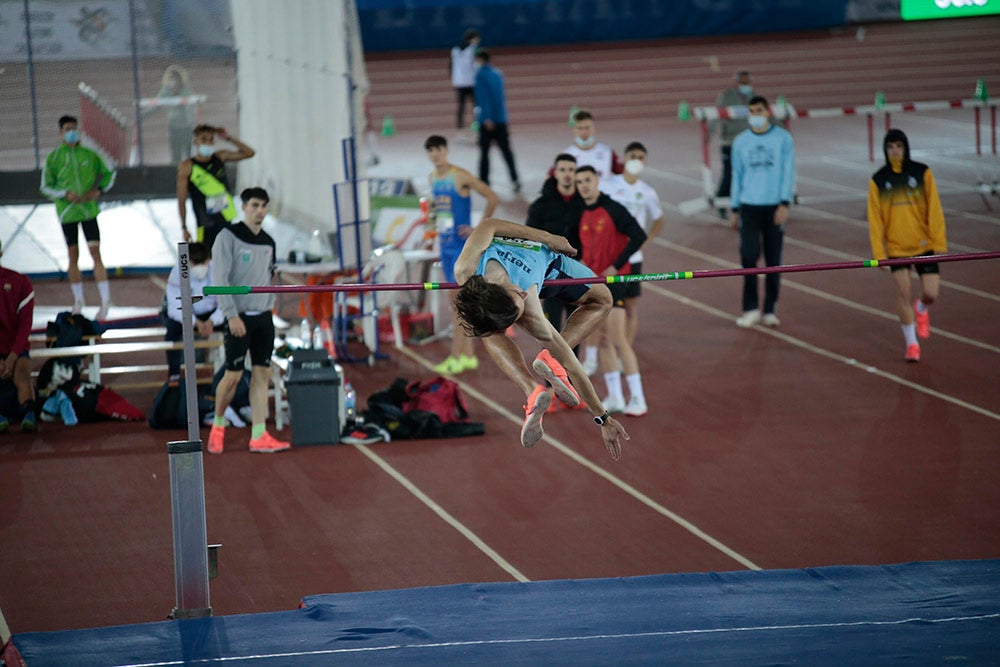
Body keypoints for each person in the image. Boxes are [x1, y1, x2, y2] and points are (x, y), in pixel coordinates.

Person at [452, 217, 629, 459]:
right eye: (520, 299)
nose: (523, 294)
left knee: (602, 300)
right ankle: (533, 389)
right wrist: (603, 418)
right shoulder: (528, 307)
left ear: (502, 289)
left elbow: (489, 224)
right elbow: (574, 366)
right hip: (540, 273)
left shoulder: (466, 268)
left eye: (519, 297)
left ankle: (547, 362)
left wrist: (548, 237)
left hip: (548, 257)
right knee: (486, 325)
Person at [207, 187, 290, 454]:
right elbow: (220, 279)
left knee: (261, 375)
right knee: (231, 377)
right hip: (238, 318)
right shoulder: (227, 237)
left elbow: (269, 277)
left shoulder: (268, 241)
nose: (260, 211)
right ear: (243, 207)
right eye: (254, 205)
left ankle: (259, 434)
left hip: (263, 319)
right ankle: (218, 425)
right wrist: (231, 315)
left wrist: (270, 308)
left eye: (264, 206)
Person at [572, 166, 648, 416]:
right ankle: (615, 396)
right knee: (603, 340)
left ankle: (637, 397)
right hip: (594, 282)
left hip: (615, 281)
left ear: (597, 181)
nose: (583, 185)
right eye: (579, 181)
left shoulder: (613, 209)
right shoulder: (582, 211)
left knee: (618, 340)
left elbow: (638, 235)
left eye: (587, 180)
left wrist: (617, 264)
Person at [867, 129, 948, 362]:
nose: (895, 151)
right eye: (890, 147)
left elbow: (935, 208)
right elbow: (875, 220)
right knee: (903, 292)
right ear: (885, 149)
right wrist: (879, 253)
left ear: (906, 148)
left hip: (924, 245)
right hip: (896, 248)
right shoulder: (878, 180)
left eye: (899, 146)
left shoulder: (922, 173)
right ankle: (912, 345)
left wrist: (939, 241)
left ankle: (921, 308)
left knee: (931, 293)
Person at [424, 135, 499, 375]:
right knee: (456, 303)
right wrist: (431, 223)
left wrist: (479, 228)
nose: (435, 154)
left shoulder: (460, 176)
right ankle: (467, 356)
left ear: (445, 150)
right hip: (444, 246)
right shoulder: (433, 178)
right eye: (430, 151)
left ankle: (456, 356)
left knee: (458, 304)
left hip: (460, 248)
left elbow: (492, 197)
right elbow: (437, 208)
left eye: (438, 149)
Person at [40, 115, 117, 320]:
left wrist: (98, 190)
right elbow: (46, 186)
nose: (72, 132)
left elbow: (110, 172)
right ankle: (79, 300)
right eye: (68, 129)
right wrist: (64, 194)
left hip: (88, 211)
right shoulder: (54, 158)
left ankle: (106, 300)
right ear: (61, 132)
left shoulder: (90, 155)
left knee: (96, 253)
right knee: (73, 255)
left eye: (74, 128)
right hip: (67, 214)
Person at [729, 95, 796, 329]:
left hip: (774, 207)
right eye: (751, 111)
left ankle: (770, 309)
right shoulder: (740, 142)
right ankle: (750, 308)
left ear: (768, 112)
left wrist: (784, 204)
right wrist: (735, 207)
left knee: (773, 259)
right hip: (749, 206)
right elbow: (736, 175)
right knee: (748, 257)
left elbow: (789, 173)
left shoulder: (783, 139)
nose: (755, 115)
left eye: (759, 110)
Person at [601, 141, 665, 345]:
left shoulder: (647, 192)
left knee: (631, 307)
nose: (636, 161)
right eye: (632, 156)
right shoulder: (608, 185)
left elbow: (659, 218)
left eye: (640, 158)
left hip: (633, 256)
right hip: (610, 256)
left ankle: (624, 350)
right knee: (604, 305)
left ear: (645, 162)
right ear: (624, 158)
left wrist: (646, 240)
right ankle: (603, 348)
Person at [526, 152, 584, 330]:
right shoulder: (541, 205)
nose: (567, 174)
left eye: (571, 170)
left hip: (578, 271)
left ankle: (573, 359)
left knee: (576, 326)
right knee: (551, 329)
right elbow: (530, 238)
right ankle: (550, 358)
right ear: (555, 173)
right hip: (550, 272)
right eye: (563, 169)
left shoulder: (586, 203)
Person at [176, 124, 255, 250]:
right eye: (204, 139)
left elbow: (249, 153)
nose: (208, 143)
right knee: (206, 261)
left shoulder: (220, 157)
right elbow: (181, 200)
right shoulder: (187, 166)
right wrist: (184, 227)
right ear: (195, 141)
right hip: (205, 224)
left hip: (226, 219)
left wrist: (228, 138)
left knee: (226, 259)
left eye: (211, 139)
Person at [161, 242, 225, 382]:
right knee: (171, 329)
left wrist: (212, 321)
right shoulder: (177, 272)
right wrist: (195, 322)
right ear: (188, 262)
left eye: (203, 263)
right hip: (186, 314)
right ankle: (174, 376)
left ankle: (231, 371)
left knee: (234, 324)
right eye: (195, 263)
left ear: (209, 260)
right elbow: (174, 307)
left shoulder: (218, 270)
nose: (199, 267)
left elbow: (225, 303)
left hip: (211, 314)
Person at [0, 239, 37, 433]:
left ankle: (29, 414)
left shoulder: (20, 282)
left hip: (15, 347)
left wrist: (13, 356)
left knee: (22, 373)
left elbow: (25, 325)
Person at [473, 50, 521, 193]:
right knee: (507, 152)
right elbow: (499, 98)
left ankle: (483, 181)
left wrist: (487, 117)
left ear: (480, 60)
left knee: (484, 153)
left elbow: (484, 98)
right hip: (501, 119)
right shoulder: (498, 74)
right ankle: (515, 179)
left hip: (487, 121)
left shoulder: (480, 75)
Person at [714, 70, 755, 219]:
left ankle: (746, 205)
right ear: (736, 82)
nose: (746, 85)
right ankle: (721, 202)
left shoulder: (754, 96)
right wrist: (710, 132)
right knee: (729, 174)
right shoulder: (727, 96)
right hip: (730, 142)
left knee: (748, 174)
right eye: (743, 82)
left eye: (748, 82)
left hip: (749, 142)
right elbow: (716, 115)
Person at [146, 64, 198, 165]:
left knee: (189, 154)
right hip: (174, 128)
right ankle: (176, 174)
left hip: (186, 128)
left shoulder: (185, 91)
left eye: (176, 82)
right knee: (175, 156)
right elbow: (156, 105)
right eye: (171, 82)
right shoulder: (166, 90)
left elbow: (190, 109)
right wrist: (143, 115)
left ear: (180, 81)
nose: (174, 86)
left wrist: (190, 123)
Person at [564, 109, 623, 183]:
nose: (584, 132)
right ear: (574, 130)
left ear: (593, 129)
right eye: (580, 128)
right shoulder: (567, 155)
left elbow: (624, 175)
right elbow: (552, 178)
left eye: (587, 128)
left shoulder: (607, 152)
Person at [450, 29, 480, 130]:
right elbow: (475, 65)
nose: (478, 40)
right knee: (476, 104)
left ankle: (460, 126)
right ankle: (477, 123)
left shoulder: (455, 50)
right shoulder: (473, 50)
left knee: (461, 105)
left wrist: (453, 78)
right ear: (471, 39)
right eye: (476, 38)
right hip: (471, 81)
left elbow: (451, 65)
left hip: (459, 81)